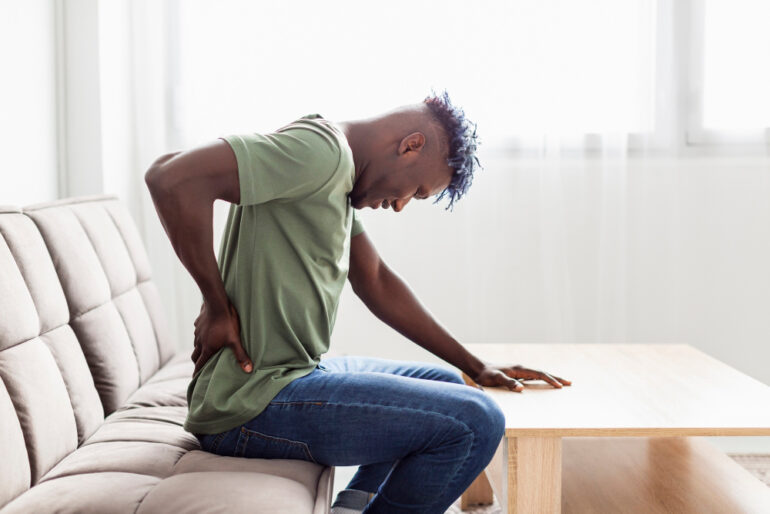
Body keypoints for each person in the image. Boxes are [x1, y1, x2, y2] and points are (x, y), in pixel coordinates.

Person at [144, 91, 571, 514]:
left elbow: (377, 281)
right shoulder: (321, 152)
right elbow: (169, 177)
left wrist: (477, 366)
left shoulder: (338, 173)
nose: (401, 206)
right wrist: (215, 303)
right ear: (411, 145)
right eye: (417, 191)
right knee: (477, 421)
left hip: (292, 374)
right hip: (254, 402)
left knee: (450, 385)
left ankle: (353, 505)